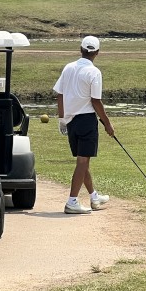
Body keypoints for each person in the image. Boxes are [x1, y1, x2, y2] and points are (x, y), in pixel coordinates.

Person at [53, 35, 115, 214]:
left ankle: (94, 197)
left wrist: (62, 119)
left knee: (83, 159)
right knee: (82, 161)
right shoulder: (94, 72)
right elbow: (96, 101)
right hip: (86, 120)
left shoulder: (68, 67)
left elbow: (60, 95)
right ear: (97, 53)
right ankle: (72, 201)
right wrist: (107, 124)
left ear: (80, 49)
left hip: (71, 121)